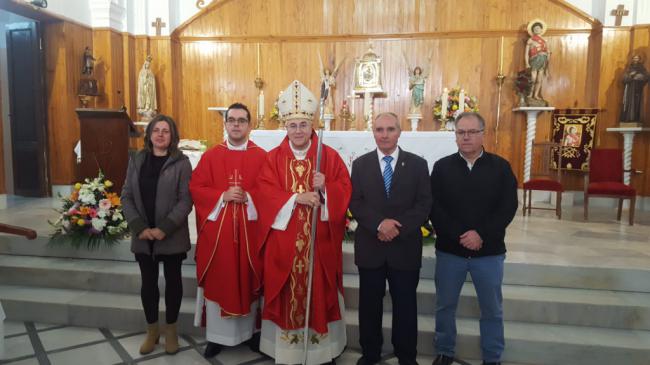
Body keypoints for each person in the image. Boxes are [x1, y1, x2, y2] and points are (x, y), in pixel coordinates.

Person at [256, 80, 352, 364]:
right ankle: (287, 351)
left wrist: (326, 188)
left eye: (303, 125)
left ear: (312, 127)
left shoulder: (328, 157)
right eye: (293, 125)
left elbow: (345, 189)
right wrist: (296, 199)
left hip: (318, 245)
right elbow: (263, 192)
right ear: (285, 127)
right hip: (284, 246)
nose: (298, 131)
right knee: (287, 293)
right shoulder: (273, 159)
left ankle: (324, 349)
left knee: (320, 291)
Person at [429, 112, 518, 365]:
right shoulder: (442, 167)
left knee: (492, 309)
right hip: (450, 252)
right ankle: (445, 351)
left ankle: (492, 357)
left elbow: (507, 207)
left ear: (483, 134)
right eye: (461, 133)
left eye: (471, 132)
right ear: (455, 136)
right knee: (445, 306)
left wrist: (481, 234)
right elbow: (435, 207)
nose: (466, 137)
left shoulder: (500, 167)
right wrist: (460, 235)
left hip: (488, 252)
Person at [349, 112, 432, 365]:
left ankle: (407, 356)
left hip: (404, 247)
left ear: (399, 132)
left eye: (390, 129)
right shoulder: (360, 164)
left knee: (406, 306)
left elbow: (424, 203)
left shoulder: (418, 164)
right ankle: (370, 353)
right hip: (371, 247)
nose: (384, 135)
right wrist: (379, 224)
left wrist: (398, 227)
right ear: (373, 132)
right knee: (369, 306)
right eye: (379, 129)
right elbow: (355, 201)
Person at [190, 103, 268, 358]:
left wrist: (250, 197)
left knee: (249, 278)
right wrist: (221, 195)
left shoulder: (262, 157)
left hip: (250, 231)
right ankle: (217, 337)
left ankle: (251, 334)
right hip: (219, 237)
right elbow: (197, 188)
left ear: (249, 125)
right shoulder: (211, 156)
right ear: (225, 124)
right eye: (232, 120)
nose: (236, 124)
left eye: (241, 120)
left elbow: (271, 192)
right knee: (220, 278)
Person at [121, 114, 193, 355]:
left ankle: (171, 331)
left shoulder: (181, 162)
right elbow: (126, 196)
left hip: (171, 234)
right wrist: (139, 227)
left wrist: (165, 227)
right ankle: (152, 331)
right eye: (156, 130)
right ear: (149, 134)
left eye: (166, 131)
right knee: (148, 284)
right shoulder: (137, 159)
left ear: (172, 136)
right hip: (143, 236)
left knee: (173, 282)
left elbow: (186, 199)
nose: (161, 134)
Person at [525, 21, 550, 101]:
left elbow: (548, 52)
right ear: (532, 30)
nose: (537, 29)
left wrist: (547, 64)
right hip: (534, 60)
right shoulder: (531, 40)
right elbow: (526, 53)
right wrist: (527, 63)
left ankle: (535, 95)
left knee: (539, 79)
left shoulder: (545, 41)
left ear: (541, 29)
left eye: (538, 28)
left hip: (543, 61)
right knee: (533, 78)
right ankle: (530, 94)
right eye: (535, 28)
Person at [620, 54, 649, 123]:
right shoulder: (629, 68)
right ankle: (628, 118)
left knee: (636, 104)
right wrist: (630, 76)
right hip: (629, 89)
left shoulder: (642, 68)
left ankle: (635, 118)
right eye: (634, 58)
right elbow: (624, 79)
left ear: (639, 59)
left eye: (637, 58)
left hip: (637, 89)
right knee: (628, 103)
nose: (636, 60)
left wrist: (639, 77)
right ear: (632, 59)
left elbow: (647, 77)